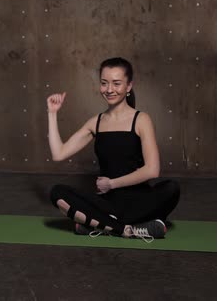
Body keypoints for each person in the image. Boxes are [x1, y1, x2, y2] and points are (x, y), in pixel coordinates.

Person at [47, 57, 180, 242]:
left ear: (128, 86)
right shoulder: (96, 122)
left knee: (171, 188)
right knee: (57, 193)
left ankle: (98, 225)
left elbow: (152, 170)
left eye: (116, 83)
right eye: (104, 83)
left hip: (139, 202)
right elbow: (58, 153)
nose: (109, 89)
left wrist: (112, 184)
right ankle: (127, 230)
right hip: (107, 204)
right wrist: (52, 113)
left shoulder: (141, 119)